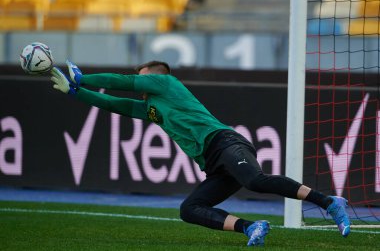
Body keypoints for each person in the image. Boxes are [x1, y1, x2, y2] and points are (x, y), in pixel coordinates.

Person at [50, 60, 351, 247]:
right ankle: (251, 228)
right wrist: (74, 92)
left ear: (156, 77)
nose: (140, 85)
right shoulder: (153, 109)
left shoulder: (165, 82)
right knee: (190, 208)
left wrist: (84, 78)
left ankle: (329, 202)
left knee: (255, 181)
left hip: (225, 143)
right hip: (214, 164)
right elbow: (116, 104)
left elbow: (123, 83)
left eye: (143, 79)